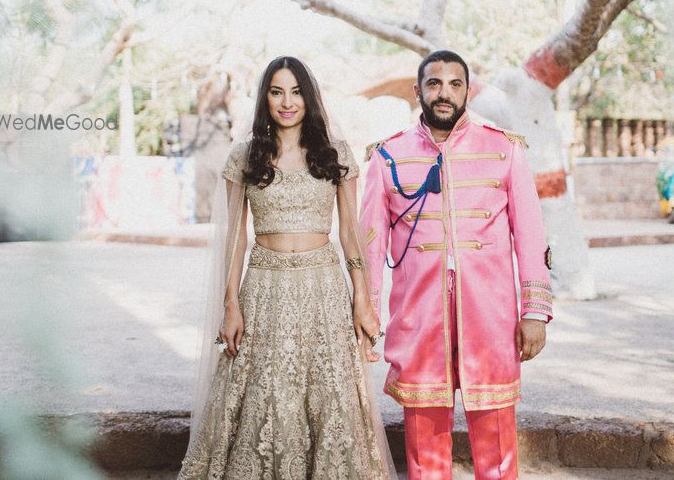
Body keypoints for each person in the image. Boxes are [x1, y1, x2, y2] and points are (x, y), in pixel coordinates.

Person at [178, 56, 396, 479]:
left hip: (323, 289)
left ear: (309, 98)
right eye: (277, 92)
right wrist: (230, 305)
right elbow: (236, 238)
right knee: (263, 397)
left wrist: (363, 301)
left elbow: (351, 234)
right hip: (263, 288)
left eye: (296, 91)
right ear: (266, 99)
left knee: (328, 399)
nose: (287, 102)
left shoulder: (335, 154)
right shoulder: (245, 156)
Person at [360, 50, 553, 480]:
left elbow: (531, 237)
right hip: (419, 316)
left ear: (468, 90)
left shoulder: (504, 149)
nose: (444, 93)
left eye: (454, 84)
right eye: (434, 84)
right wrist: (366, 316)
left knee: (497, 435)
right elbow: (369, 246)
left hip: (491, 316)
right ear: (418, 91)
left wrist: (535, 313)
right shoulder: (387, 156)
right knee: (425, 439)